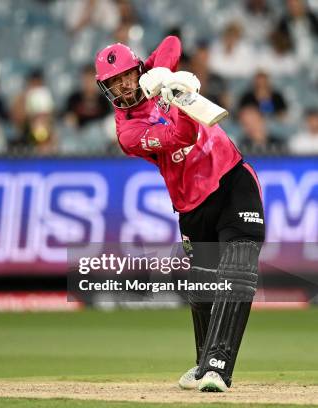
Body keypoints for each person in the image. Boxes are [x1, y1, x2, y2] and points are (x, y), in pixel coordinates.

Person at [95, 36, 265, 392]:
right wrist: (173, 98)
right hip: (191, 204)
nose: (123, 86)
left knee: (239, 269)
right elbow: (182, 134)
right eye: (114, 83)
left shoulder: (148, 77)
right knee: (203, 290)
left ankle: (218, 367)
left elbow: (172, 42)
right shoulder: (128, 131)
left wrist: (163, 76)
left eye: (126, 75)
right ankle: (204, 364)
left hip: (233, 178)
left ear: (136, 68)